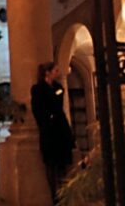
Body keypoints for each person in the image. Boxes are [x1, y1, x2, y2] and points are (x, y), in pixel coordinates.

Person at [31, 62, 75, 202]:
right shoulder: (38, 89)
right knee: (50, 162)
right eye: (55, 70)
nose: (58, 72)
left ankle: (64, 194)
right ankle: (54, 196)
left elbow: (59, 105)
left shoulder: (58, 87)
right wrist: (45, 121)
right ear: (47, 72)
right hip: (48, 129)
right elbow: (37, 109)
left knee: (63, 162)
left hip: (60, 127)